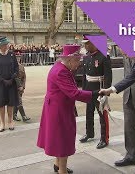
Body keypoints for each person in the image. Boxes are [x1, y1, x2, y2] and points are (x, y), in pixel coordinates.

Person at [37, 45, 98, 174]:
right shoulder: (62, 71)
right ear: (70, 60)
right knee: (63, 140)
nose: (79, 63)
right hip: (59, 110)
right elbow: (74, 93)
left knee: (59, 139)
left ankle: (57, 164)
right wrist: (95, 94)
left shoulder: (60, 67)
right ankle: (62, 170)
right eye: (78, 60)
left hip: (57, 108)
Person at [79, 35, 112, 149]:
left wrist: (106, 92)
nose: (85, 45)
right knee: (89, 112)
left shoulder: (104, 56)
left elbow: (108, 76)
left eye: (87, 43)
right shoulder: (86, 57)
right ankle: (89, 133)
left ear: (94, 43)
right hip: (89, 88)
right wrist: (83, 90)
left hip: (100, 88)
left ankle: (104, 138)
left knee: (102, 114)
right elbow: (84, 75)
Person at [0, 37, 19, 132]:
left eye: (7, 44)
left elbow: (16, 68)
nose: (7, 45)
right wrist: (3, 80)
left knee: (10, 102)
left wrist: (12, 78)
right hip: (0, 83)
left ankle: (10, 121)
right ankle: (2, 122)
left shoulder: (11, 54)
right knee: (1, 103)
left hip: (11, 82)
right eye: (5, 44)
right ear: (0, 46)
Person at [13, 55, 31, 122]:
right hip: (15, 86)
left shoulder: (22, 66)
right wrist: (19, 86)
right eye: (16, 58)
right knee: (19, 101)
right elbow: (15, 77)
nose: (18, 59)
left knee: (17, 101)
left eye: (19, 57)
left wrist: (23, 86)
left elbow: (24, 77)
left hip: (21, 86)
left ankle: (14, 115)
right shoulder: (12, 67)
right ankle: (24, 116)